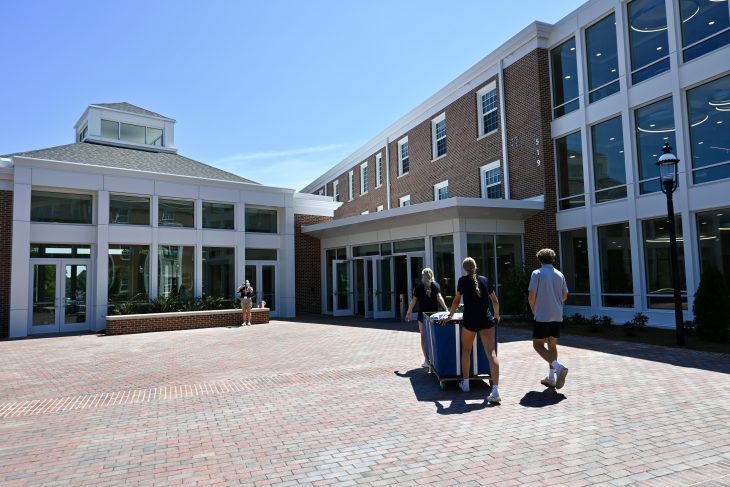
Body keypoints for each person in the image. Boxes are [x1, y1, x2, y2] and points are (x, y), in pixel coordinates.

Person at [441, 257, 501, 403]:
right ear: (476, 267)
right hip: (486, 320)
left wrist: (450, 315)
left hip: (469, 320)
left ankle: (466, 383)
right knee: (491, 353)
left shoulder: (462, 281)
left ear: (464, 268)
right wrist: (497, 315)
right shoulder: (485, 280)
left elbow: (456, 300)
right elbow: (495, 301)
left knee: (466, 350)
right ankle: (495, 390)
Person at [528, 248, 569, 389]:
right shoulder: (560, 274)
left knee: (537, 345)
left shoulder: (537, 273)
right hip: (557, 315)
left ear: (539, 260)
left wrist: (534, 309)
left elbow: (531, 295)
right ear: (553, 259)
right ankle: (551, 378)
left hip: (542, 315)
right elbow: (564, 296)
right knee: (552, 345)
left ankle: (559, 367)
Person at [405, 268, 447, 368]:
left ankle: (427, 361)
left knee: (423, 337)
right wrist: (445, 309)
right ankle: (435, 360)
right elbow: (439, 297)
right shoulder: (436, 285)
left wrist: (408, 312)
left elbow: (413, 301)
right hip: (433, 315)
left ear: (423, 276)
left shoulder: (419, 287)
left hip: (422, 316)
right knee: (435, 337)